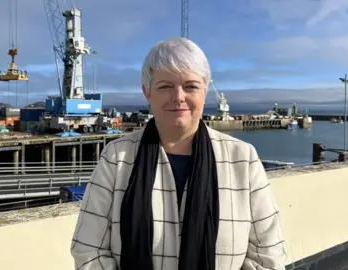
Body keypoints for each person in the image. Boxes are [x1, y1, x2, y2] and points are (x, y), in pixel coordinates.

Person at [70, 38, 287, 270]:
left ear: (205, 92)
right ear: (147, 93)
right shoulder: (117, 158)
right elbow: (89, 250)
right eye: (165, 86)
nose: (179, 96)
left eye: (191, 86)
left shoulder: (243, 159)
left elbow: (267, 257)